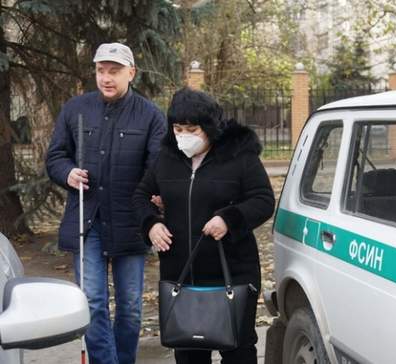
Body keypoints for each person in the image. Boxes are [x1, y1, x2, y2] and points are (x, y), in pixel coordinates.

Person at [132, 87, 275, 364]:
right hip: (182, 273)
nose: (183, 135)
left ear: (210, 127)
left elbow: (263, 200)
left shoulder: (240, 156)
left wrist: (229, 219)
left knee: (237, 348)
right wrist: (151, 224)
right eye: (177, 127)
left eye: (192, 129)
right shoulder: (167, 158)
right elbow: (140, 196)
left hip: (231, 272)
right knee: (188, 350)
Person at [46, 42, 166, 364]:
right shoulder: (76, 109)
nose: (106, 78)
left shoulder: (151, 115)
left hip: (131, 221)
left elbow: (157, 167)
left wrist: (155, 197)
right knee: (93, 301)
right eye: (101, 71)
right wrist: (68, 173)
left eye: (114, 71)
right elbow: (55, 156)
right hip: (89, 219)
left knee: (130, 306)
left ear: (131, 72)